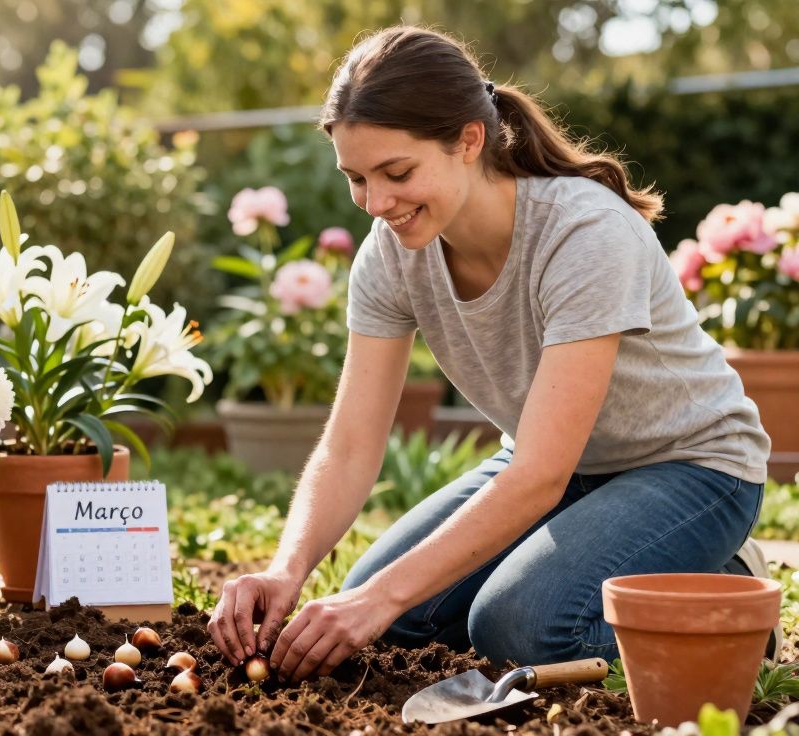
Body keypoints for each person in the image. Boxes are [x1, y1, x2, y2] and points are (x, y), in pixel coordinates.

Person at [207, 26, 772, 684]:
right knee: (383, 615)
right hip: (563, 473)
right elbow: (351, 443)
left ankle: (719, 590)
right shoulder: (389, 255)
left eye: (397, 172)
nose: (377, 203)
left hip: (693, 468)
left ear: (468, 141)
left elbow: (537, 475)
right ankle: (602, 565)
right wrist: (287, 568)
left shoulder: (582, 233)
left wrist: (382, 594)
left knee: (519, 626)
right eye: (357, 179)